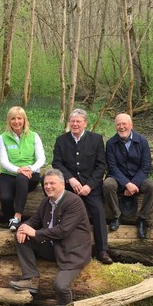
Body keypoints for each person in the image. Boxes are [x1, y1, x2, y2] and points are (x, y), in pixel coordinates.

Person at [9, 168, 92, 306]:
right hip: (54, 247)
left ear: (62, 184)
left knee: (60, 285)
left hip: (73, 252)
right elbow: (35, 220)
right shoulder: (47, 202)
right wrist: (24, 228)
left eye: (52, 183)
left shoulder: (73, 201)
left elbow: (63, 230)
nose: (48, 186)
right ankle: (31, 278)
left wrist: (35, 233)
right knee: (21, 238)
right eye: (46, 183)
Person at [52, 108, 113, 265]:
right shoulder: (61, 140)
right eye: (72, 121)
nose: (75, 124)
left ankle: (102, 250)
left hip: (90, 188)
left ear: (85, 123)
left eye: (78, 121)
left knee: (98, 211)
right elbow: (57, 163)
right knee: (63, 213)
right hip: (70, 188)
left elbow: (101, 166)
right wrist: (70, 179)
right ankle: (62, 249)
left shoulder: (96, 139)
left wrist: (89, 186)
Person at [103, 113, 153, 238]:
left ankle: (142, 219)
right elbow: (112, 167)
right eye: (118, 124)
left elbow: (146, 166)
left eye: (124, 124)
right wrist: (127, 184)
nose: (121, 127)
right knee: (107, 184)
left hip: (138, 179)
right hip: (118, 179)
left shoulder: (142, 141)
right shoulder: (111, 143)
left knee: (152, 186)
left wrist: (134, 183)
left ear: (131, 125)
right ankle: (116, 216)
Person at [0, 106, 45, 230]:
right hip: (9, 173)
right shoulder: (3, 137)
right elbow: (3, 161)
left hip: (31, 174)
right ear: (9, 120)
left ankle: (17, 216)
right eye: (13, 118)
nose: (16, 121)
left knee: (21, 178)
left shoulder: (34, 136)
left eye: (19, 118)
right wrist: (18, 169)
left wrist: (29, 168)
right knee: (5, 197)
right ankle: (10, 221)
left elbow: (41, 159)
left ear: (24, 120)